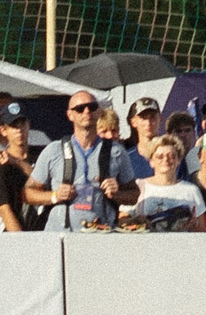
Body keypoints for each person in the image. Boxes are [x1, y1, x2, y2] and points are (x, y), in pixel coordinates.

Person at [29, 93, 142, 231]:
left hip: (102, 235)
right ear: (70, 115)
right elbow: (28, 192)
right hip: (61, 236)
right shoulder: (54, 150)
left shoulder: (116, 151)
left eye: (92, 107)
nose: (87, 111)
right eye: (80, 108)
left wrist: (117, 194)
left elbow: (134, 194)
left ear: (99, 111)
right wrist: (55, 196)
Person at [131, 135, 206, 228]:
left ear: (179, 160)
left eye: (171, 156)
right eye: (160, 156)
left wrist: (192, 226)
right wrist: (137, 221)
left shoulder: (191, 190)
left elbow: (202, 229)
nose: (166, 159)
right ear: (151, 161)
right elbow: (123, 218)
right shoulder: (138, 186)